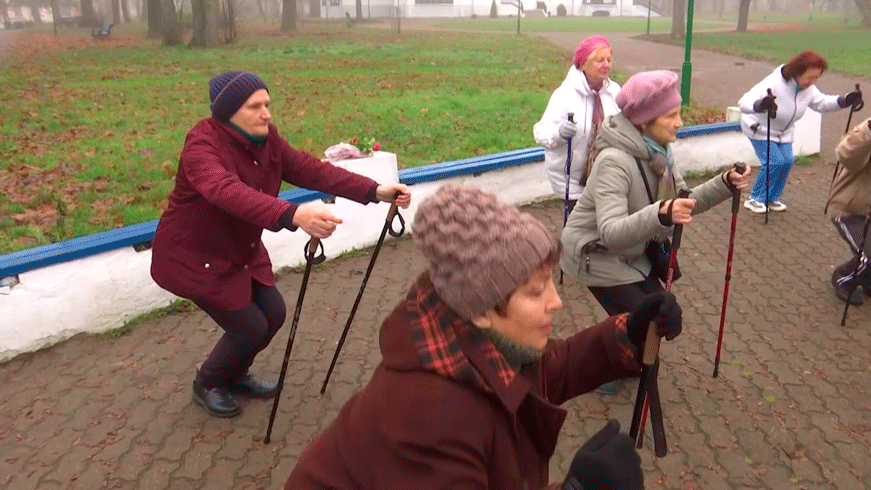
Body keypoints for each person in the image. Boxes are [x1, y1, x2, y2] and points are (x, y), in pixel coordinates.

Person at [286, 184, 684, 490]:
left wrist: (629, 332)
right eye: (535, 291)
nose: (557, 302)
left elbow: (546, 371)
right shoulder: (430, 420)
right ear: (480, 308)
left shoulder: (469, 330)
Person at [149, 71, 411, 418]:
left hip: (239, 250)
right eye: (255, 106)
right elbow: (225, 191)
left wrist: (374, 191)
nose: (266, 113)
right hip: (195, 257)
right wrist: (293, 215)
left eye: (267, 104)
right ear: (228, 112)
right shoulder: (202, 147)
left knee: (273, 313)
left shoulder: (266, 139)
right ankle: (208, 382)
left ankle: (235, 373)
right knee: (250, 327)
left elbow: (311, 170)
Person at [561, 70, 751, 395]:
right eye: (671, 115)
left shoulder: (660, 156)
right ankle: (597, 367)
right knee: (644, 318)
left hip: (632, 253)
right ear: (645, 122)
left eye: (679, 113)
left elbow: (682, 202)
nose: (680, 122)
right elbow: (610, 232)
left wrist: (723, 185)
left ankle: (627, 354)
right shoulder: (614, 162)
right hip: (596, 255)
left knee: (649, 314)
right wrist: (661, 213)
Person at [738, 50, 861, 214]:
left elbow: (821, 103)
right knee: (774, 162)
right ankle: (755, 198)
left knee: (787, 161)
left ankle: (772, 198)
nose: (813, 81)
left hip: (784, 132)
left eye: (817, 77)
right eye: (810, 77)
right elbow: (743, 102)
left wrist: (844, 100)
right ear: (797, 72)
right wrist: (760, 104)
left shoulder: (807, 88)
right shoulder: (773, 83)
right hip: (760, 129)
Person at [534, 35, 621, 209]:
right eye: (599, 60)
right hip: (572, 181)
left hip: (606, 177)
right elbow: (541, 132)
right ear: (583, 64)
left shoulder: (615, 92)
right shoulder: (565, 95)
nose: (606, 65)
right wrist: (558, 133)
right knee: (577, 230)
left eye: (608, 60)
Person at [825, 116, 871, 305]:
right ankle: (843, 277)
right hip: (851, 209)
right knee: (869, 255)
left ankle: (867, 279)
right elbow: (846, 154)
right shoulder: (866, 130)